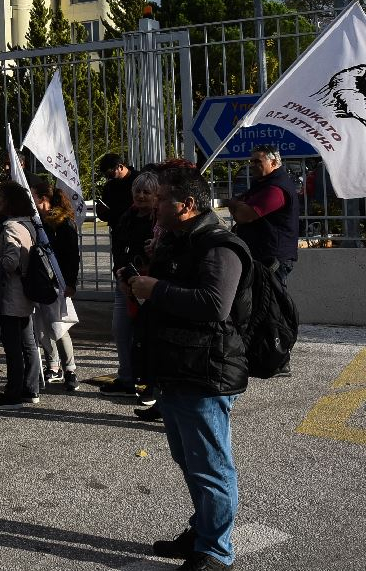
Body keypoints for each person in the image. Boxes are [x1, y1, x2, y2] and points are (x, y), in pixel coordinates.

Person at [126, 167, 250, 571]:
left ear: (186, 205)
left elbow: (215, 305)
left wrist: (156, 289)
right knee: (190, 457)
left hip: (205, 371)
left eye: (162, 199)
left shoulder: (219, 246)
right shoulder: (181, 241)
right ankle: (203, 530)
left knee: (210, 464)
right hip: (179, 368)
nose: (154, 204)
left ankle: (216, 550)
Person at [103, 171, 160, 399]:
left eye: (147, 192)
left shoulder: (160, 221)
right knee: (121, 330)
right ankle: (126, 379)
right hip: (125, 282)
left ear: (157, 195)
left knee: (148, 335)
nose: (141, 196)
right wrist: (121, 276)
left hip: (150, 285)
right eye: (138, 191)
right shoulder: (126, 217)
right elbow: (118, 250)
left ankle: (151, 384)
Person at [0, 181, 39, 410]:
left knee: (13, 345)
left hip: (12, 292)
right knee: (28, 342)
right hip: (26, 291)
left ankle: (13, 392)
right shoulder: (30, 223)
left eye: (0, 199)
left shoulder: (11, 227)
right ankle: (30, 387)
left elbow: (11, 262)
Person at [30, 182, 81, 390]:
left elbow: (72, 256)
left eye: (32, 194)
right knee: (40, 327)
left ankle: (70, 369)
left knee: (58, 327)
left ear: (43, 198)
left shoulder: (61, 222)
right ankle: (53, 365)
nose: (29, 198)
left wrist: (70, 282)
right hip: (39, 279)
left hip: (56, 281)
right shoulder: (35, 221)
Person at [227, 145, 300, 288]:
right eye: (251, 161)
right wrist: (237, 204)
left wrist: (237, 205)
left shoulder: (276, 189)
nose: (252, 165)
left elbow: (243, 215)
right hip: (260, 257)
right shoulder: (262, 184)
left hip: (272, 261)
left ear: (273, 163)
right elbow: (237, 205)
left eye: (257, 161)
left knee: (270, 305)